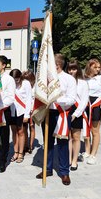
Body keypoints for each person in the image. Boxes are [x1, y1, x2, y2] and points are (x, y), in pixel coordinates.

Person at [36, 54, 76, 185]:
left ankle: (64, 172)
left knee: (63, 144)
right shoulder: (45, 78)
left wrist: (55, 99)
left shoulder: (69, 79)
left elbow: (71, 99)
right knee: (47, 142)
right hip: (48, 113)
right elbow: (35, 92)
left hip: (62, 114)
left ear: (57, 65)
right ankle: (47, 169)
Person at [67, 59, 89, 171]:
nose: (72, 71)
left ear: (78, 69)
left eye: (74, 69)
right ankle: (69, 159)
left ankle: (75, 160)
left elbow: (84, 101)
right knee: (68, 137)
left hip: (77, 112)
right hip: (67, 110)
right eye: (70, 69)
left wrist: (76, 114)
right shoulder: (65, 81)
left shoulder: (83, 83)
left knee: (76, 137)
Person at [9, 69, 32, 163]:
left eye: (17, 79)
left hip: (21, 111)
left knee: (21, 131)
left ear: (20, 77)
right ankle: (15, 151)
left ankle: (21, 153)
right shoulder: (10, 83)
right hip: (12, 111)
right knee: (14, 131)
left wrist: (27, 114)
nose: (15, 81)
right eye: (13, 79)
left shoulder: (26, 84)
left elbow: (28, 99)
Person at [84, 58, 101, 165]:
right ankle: (87, 150)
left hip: (96, 104)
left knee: (95, 130)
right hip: (86, 103)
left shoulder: (100, 78)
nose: (97, 69)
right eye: (95, 67)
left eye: (99, 67)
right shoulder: (83, 78)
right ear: (89, 66)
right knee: (86, 128)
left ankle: (93, 154)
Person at [22, 70, 36, 154]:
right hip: (24, 109)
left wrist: (32, 109)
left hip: (33, 110)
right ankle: (25, 145)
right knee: (24, 128)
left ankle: (30, 145)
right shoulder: (23, 86)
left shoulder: (35, 88)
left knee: (32, 127)